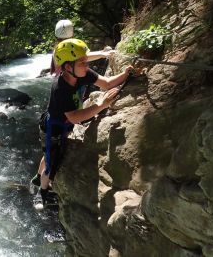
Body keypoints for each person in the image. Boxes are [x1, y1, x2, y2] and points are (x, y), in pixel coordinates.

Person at [33, 38, 136, 206]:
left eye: (85, 61)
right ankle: (43, 193)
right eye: (82, 62)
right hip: (53, 129)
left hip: (63, 124)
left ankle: (38, 178)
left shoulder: (82, 73)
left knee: (48, 154)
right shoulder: (60, 88)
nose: (87, 65)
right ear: (68, 67)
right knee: (52, 163)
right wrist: (101, 104)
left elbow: (107, 83)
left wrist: (125, 74)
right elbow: (74, 116)